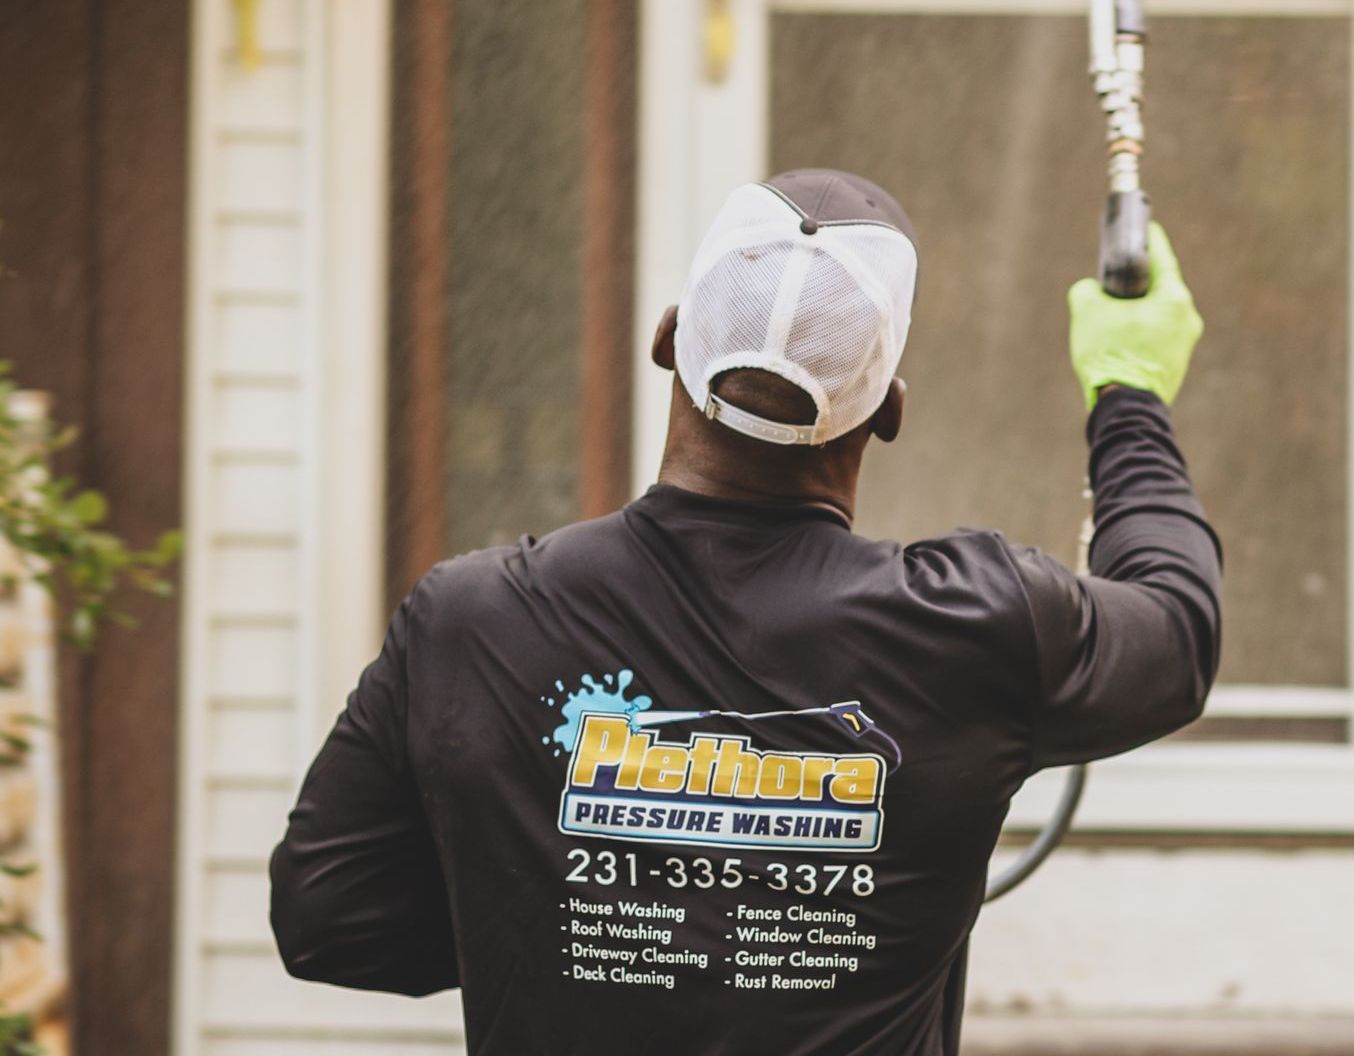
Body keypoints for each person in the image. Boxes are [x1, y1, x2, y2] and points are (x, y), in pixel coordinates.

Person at [270, 168, 1220, 1055]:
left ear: (667, 341)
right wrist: (1126, 391)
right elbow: (1178, 628)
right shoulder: (977, 627)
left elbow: (329, 916)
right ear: (888, 408)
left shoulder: (472, 622)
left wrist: (573, 918)